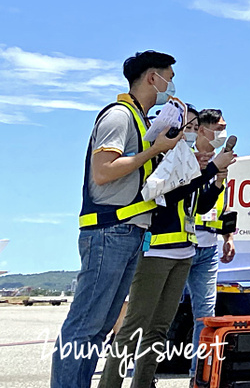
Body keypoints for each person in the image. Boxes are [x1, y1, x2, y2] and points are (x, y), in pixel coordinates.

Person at [52, 51, 185, 388]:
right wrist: (153, 151)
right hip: (109, 231)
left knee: (100, 326)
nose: (171, 84)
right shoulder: (119, 117)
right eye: (168, 76)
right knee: (85, 326)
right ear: (153, 77)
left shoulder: (140, 121)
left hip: (128, 233)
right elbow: (103, 172)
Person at [100, 103, 233, 388]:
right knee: (134, 327)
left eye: (198, 128)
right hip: (156, 252)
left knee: (159, 330)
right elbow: (165, 198)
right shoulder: (165, 158)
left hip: (184, 251)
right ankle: (110, 383)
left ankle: (144, 382)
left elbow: (198, 206)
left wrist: (216, 181)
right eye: (192, 128)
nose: (197, 133)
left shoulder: (190, 162)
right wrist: (210, 170)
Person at [187, 108, 236, 373]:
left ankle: (199, 373)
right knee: (163, 312)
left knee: (205, 315)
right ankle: (141, 372)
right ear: (203, 129)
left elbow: (223, 205)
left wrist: (229, 238)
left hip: (209, 245)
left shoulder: (222, 162)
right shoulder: (186, 152)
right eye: (220, 128)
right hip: (181, 243)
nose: (224, 133)